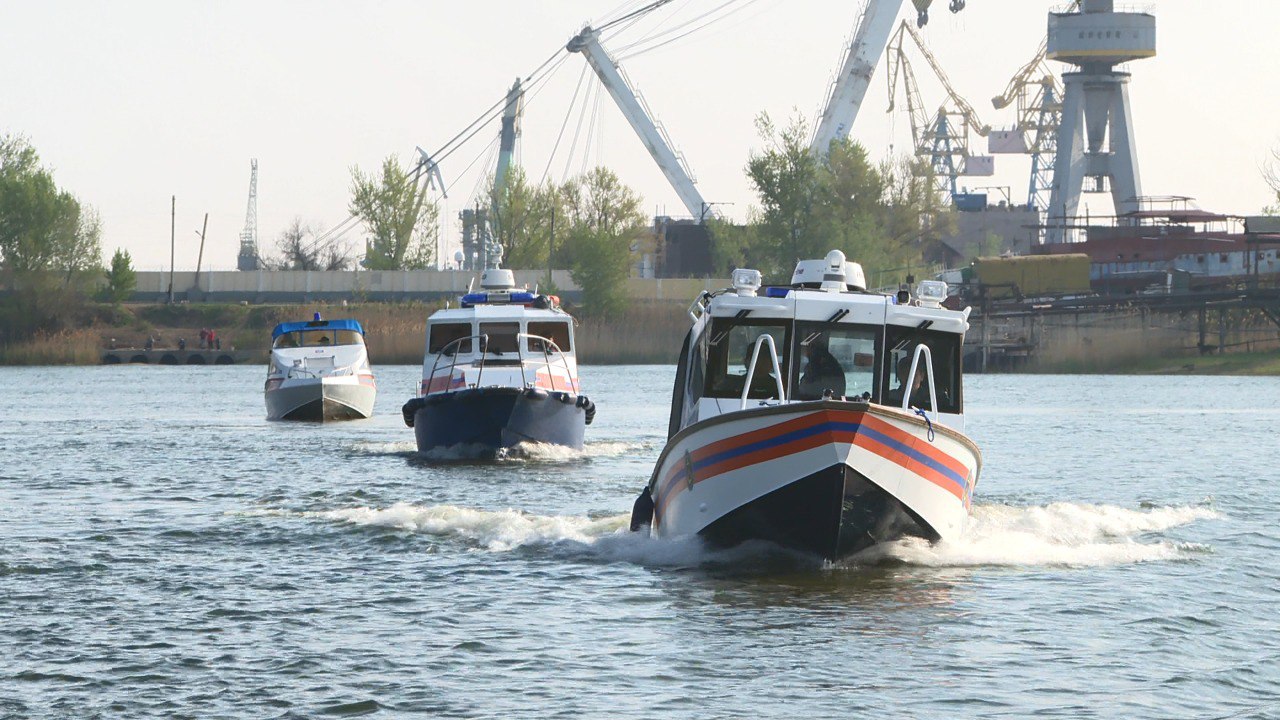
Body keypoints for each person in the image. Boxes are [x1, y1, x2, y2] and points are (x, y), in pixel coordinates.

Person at [797, 334, 845, 399]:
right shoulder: (834, 366)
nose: (806, 351)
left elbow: (808, 389)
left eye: (809, 347)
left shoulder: (817, 368)